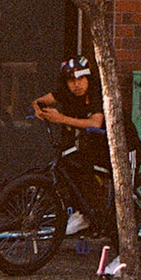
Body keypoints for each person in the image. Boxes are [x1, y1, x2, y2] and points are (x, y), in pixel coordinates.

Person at [34, 56, 110, 234]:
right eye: (71, 81)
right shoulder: (66, 92)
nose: (77, 85)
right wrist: (38, 108)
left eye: (81, 79)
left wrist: (60, 118)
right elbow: (40, 101)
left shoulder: (97, 93)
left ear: (88, 78)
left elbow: (95, 123)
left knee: (123, 188)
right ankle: (82, 214)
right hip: (97, 145)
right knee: (73, 166)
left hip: (123, 146)